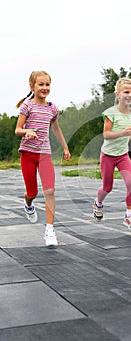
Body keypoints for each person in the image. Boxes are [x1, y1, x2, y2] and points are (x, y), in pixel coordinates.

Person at [15, 71, 71, 246]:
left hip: (44, 154)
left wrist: (65, 147)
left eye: (47, 84)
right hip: (27, 154)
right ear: (32, 86)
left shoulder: (52, 108)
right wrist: (27, 131)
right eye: (41, 84)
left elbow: (56, 129)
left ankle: (49, 230)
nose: (45, 88)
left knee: (50, 191)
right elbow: (18, 130)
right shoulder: (27, 107)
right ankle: (28, 205)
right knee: (32, 193)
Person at [93, 77, 131, 231]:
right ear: (117, 94)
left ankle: (129, 216)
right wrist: (123, 133)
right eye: (126, 92)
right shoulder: (110, 113)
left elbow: (129, 133)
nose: (129, 95)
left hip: (123, 155)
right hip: (108, 155)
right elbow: (106, 135)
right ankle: (98, 204)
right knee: (107, 187)